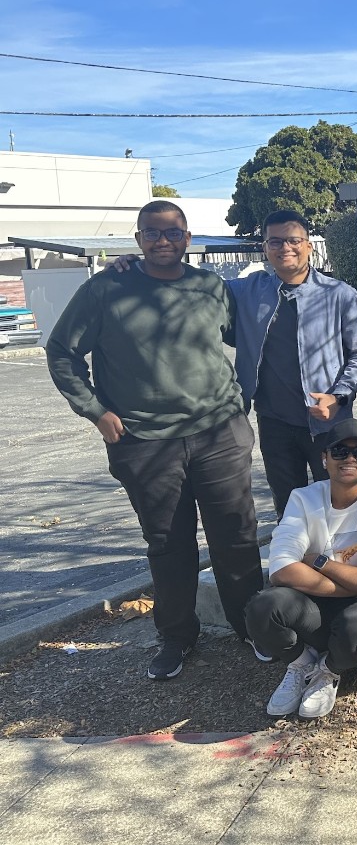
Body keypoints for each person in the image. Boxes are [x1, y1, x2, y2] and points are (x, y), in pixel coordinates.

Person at [46, 200, 263, 680]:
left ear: (188, 238)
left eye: (172, 233)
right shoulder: (106, 289)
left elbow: (242, 333)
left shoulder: (210, 287)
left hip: (219, 432)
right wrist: (95, 411)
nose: (162, 241)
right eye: (152, 233)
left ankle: (252, 628)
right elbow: (62, 352)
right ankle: (178, 636)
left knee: (237, 536)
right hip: (144, 442)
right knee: (168, 545)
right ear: (138, 238)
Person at [114, 209, 357, 518]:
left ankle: (341, 564)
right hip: (274, 422)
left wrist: (339, 396)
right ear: (265, 248)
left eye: (294, 240)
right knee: (289, 506)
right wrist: (136, 265)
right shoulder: (247, 290)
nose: (285, 248)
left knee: (341, 502)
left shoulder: (339, 295)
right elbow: (193, 283)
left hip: (329, 422)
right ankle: (297, 563)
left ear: (309, 245)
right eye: (275, 241)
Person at [246, 419, 357, 720]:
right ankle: (301, 663)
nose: (350, 458)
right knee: (263, 607)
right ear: (324, 459)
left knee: (356, 622)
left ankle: (328, 671)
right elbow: (281, 569)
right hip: (320, 609)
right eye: (339, 451)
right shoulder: (303, 498)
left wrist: (320, 562)